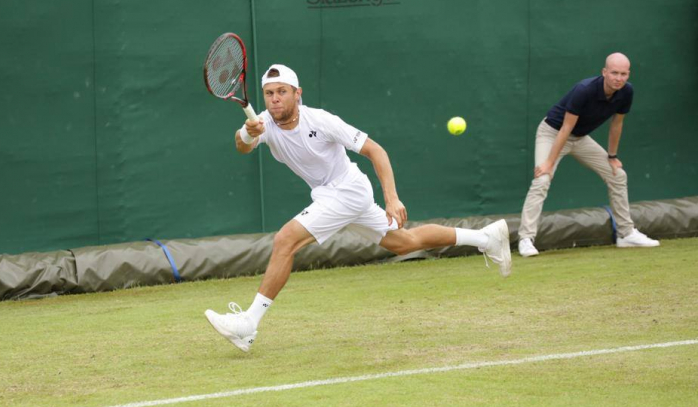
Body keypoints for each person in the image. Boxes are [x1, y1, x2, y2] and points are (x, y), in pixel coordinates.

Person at [205, 64, 512, 352]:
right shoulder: (264, 124)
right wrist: (247, 133)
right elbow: (241, 146)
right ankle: (487, 238)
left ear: (298, 94)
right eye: (269, 93)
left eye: (282, 92)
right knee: (405, 243)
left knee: (285, 240)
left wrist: (392, 198)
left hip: (348, 191)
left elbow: (375, 150)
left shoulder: (321, 120)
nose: (274, 100)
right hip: (330, 195)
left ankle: (249, 323)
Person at [517, 53, 659, 258]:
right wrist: (549, 162)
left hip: (580, 138)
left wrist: (612, 155)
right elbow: (565, 128)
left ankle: (626, 234)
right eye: (614, 73)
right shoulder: (584, 89)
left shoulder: (626, 92)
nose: (619, 78)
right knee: (542, 180)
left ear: (628, 74)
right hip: (553, 133)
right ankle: (526, 239)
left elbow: (617, 124)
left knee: (618, 175)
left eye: (623, 74)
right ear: (604, 72)